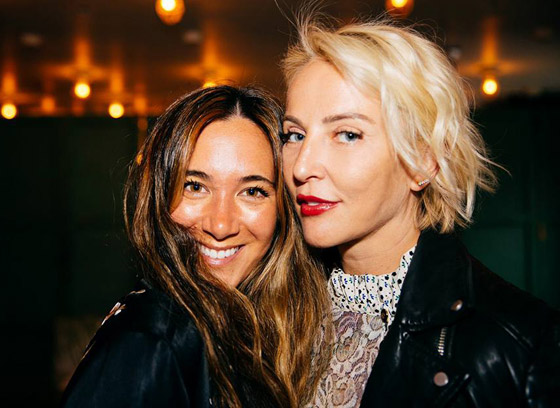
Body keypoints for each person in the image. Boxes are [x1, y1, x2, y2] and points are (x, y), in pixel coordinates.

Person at [280, 17, 560, 407]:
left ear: (422, 162)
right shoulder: (271, 312)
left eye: (347, 134)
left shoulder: (522, 341)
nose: (302, 166)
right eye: (294, 135)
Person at [61, 85, 332, 408]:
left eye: (252, 192)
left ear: (282, 209)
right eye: (195, 186)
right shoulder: (153, 340)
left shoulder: (253, 332)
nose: (220, 225)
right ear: (160, 196)